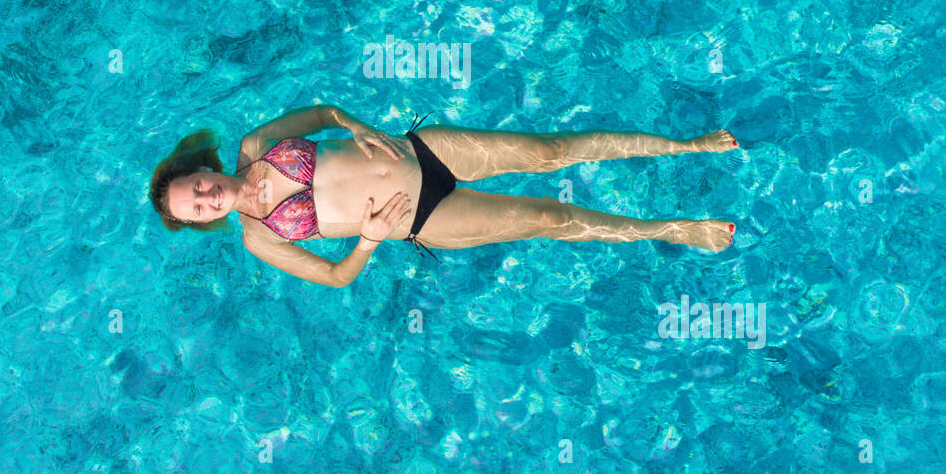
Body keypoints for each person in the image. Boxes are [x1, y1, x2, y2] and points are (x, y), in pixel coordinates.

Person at [149, 104, 737, 287]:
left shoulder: (257, 142)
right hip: (423, 219)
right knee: (549, 217)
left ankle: (686, 145)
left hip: (423, 150)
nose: (207, 197)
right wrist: (370, 242)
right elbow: (335, 278)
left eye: (196, 186)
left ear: (203, 168)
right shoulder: (260, 238)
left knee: (550, 152)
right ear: (204, 220)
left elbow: (323, 111)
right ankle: (671, 228)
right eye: (197, 208)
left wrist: (353, 126)